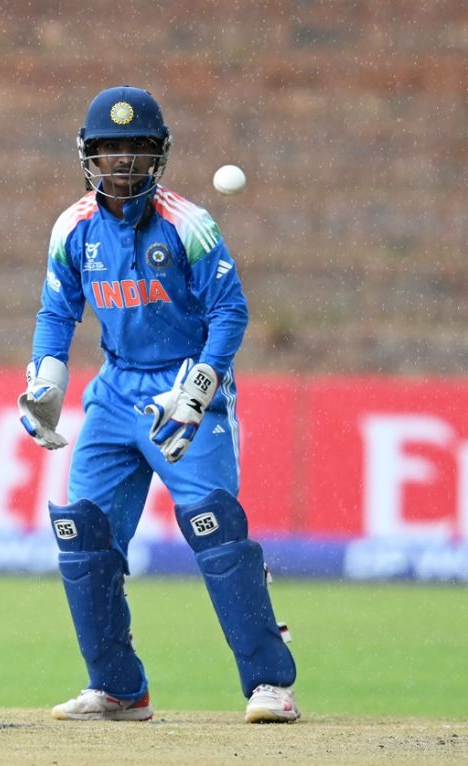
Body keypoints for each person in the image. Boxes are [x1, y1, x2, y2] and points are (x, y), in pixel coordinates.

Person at [17, 87, 299, 724]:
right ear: (89, 156)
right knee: (83, 537)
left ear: (159, 156)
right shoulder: (73, 228)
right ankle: (118, 689)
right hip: (115, 391)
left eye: (137, 148)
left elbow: (230, 312)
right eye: (110, 149)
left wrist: (197, 390)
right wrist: (47, 381)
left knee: (215, 531)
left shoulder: (188, 224)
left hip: (184, 383)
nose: (123, 161)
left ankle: (269, 683)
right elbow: (57, 311)